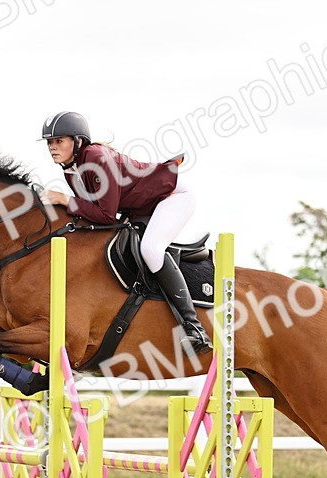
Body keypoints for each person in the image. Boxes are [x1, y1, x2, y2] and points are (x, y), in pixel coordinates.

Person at [37, 111, 211, 355]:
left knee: (150, 249)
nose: (52, 148)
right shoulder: (70, 170)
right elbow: (91, 212)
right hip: (142, 207)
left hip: (173, 197)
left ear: (77, 141)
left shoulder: (96, 158)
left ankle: (195, 328)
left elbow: (106, 215)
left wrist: (65, 200)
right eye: (49, 143)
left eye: (59, 141)